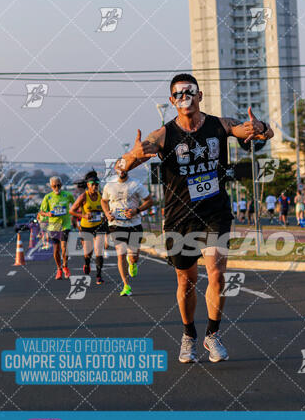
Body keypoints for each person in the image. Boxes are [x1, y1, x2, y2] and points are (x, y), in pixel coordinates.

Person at [117, 73, 273, 363]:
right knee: (186, 280)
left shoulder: (219, 125)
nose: (184, 97)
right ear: (172, 101)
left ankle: (212, 335)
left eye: (189, 92)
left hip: (215, 212)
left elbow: (261, 133)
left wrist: (260, 127)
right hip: (179, 218)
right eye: (178, 94)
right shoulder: (164, 135)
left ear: (200, 96)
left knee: (216, 273)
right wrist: (130, 158)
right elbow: (128, 161)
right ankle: (189, 335)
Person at [101, 167, 153, 296]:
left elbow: (150, 201)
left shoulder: (136, 184)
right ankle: (126, 285)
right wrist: (107, 213)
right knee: (121, 254)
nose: (122, 170)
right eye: (119, 168)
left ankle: (133, 262)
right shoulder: (109, 185)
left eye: (124, 168)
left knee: (134, 257)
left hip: (134, 224)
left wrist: (137, 210)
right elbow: (104, 201)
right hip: (116, 224)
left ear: (128, 169)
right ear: (115, 170)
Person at [70, 171, 107, 285]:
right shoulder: (83, 196)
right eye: (93, 184)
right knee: (88, 253)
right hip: (86, 227)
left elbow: (106, 209)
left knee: (99, 251)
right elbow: (72, 211)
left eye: (97, 184)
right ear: (88, 185)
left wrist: (106, 214)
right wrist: (84, 215)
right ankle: (86, 263)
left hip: (99, 226)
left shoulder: (101, 195)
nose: (95, 186)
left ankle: (99, 276)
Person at [39, 177, 74, 279]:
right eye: (54, 186)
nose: (57, 187)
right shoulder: (48, 197)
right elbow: (41, 212)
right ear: (51, 186)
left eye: (58, 185)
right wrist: (47, 214)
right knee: (56, 251)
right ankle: (59, 268)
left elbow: (76, 205)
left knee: (64, 248)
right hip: (54, 226)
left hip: (65, 225)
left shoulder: (68, 195)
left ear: (61, 185)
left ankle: (65, 266)